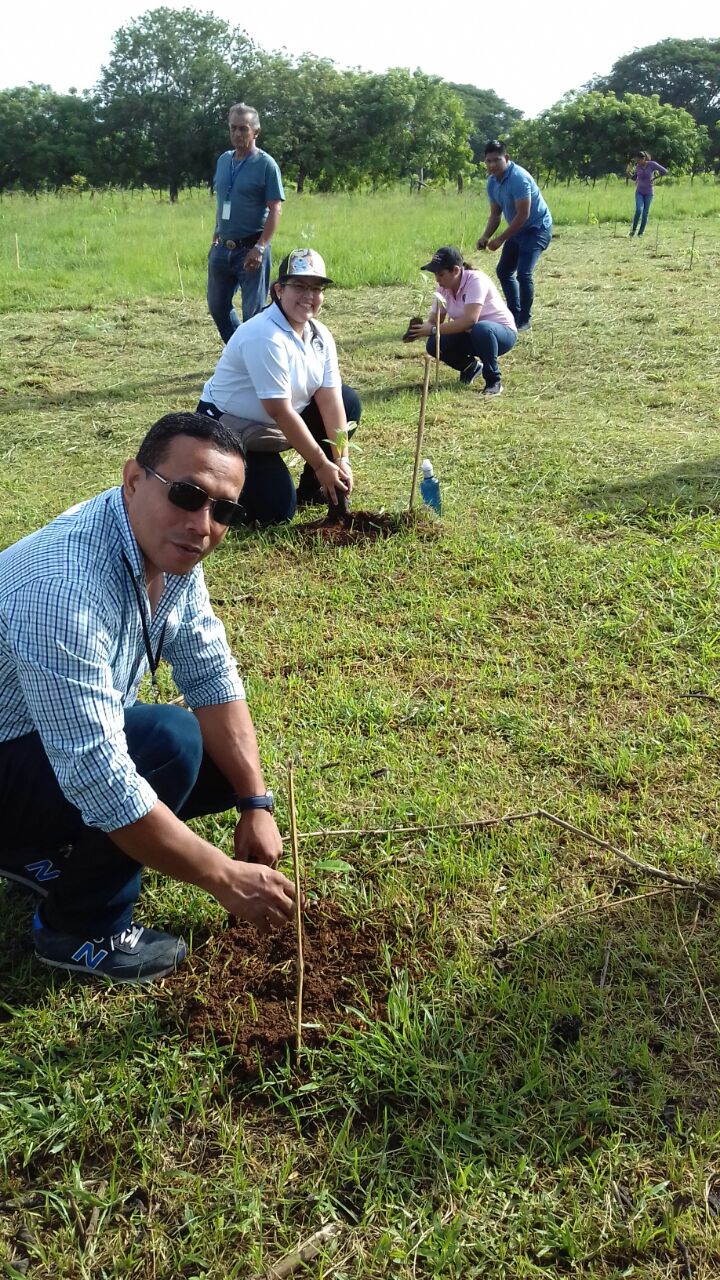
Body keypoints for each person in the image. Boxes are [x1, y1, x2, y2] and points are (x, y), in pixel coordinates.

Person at [0, 412, 297, 983]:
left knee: (216, 760)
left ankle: (29, 848)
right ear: (133, 479)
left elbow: (211, 674)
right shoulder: (61, 587)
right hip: (13, 759)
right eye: (187, 495)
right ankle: (80, 926)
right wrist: (223, 877)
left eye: (223, 510)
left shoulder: (168, 548)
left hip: (31, 746)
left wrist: (254, 803)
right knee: (167, 742)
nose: (203, 524)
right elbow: (97, 776)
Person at [197, 248, 361, 525]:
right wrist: (322, 464)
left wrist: (341, 458)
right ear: (278, 290)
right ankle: (214, 482)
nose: (309, 296)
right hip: (231, 430)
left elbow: (331, 401)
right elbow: (280, 412)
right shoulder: (265, 335)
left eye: (316, 288)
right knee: (276, 510)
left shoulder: (320, 335)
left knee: (347, 401)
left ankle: (314, 488)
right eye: (299, 286)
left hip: (272, 429)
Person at [207, 104, 285, 344]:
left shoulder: (266, 165)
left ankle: (255, 359)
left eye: (243, 129)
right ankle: (239, 351)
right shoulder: (224, 160)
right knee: (217, 306)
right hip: (223, 248)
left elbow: (275, 208)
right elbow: (224, 202)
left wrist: (260, 247)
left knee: (253, 314)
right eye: (233, 128)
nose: (237, 134)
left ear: (256, 131)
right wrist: (216, 234)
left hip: (251, 249)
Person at [407, 246, 517, 397]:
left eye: (441, 274)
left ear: (456, 271)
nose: (437, 280)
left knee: (481, 328)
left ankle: (493, 381)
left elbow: (470, 320)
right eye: (435, 275)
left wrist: (433, 329)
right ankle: (469, 368)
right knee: (434, 344)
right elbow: (434, 322)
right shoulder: (442, 288)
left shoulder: (476, 280)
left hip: (500, 334)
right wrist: (418, 329)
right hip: (471, 335)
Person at [476, 140, 552, 332]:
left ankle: (524, 319)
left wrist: (500, 239)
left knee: (524, 273)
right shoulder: (492, 182)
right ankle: (513, 314)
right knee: (503, 271)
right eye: (488, 161)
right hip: (518, 230)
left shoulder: (519, 178)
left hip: (536, 228)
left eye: (496, 160)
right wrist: (485, 236)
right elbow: (495, 214)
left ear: (506, 158)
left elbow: (523, 215)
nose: (492, 165)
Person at [629, 151, 667, 237]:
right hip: (639, 191)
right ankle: (633, 230)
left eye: (639, 160)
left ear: (644, 159)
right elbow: (635, 178)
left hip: (649, 192)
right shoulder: (638, 166)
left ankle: (641, 233)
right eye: (636, 161)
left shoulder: (652, 164)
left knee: (645, 213)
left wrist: (654, 178)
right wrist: (628, 173)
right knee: (639, 210)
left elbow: (664, 171)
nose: (637, 163)